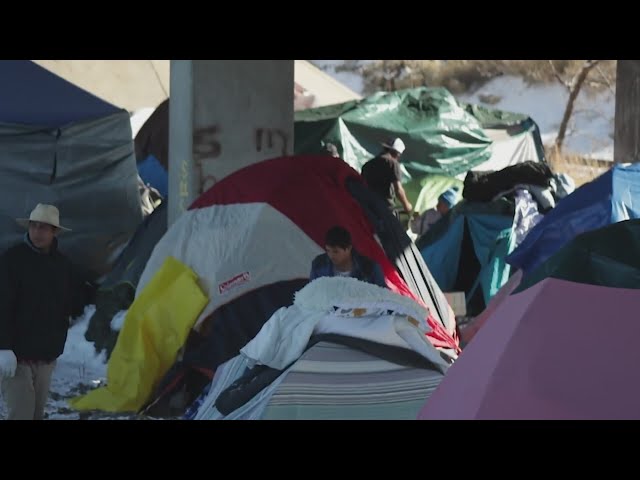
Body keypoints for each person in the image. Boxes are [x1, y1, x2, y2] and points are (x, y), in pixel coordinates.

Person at [0, 203, 94, 420]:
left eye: (44, 227)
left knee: (36, 414)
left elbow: (72, 300)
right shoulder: (12, 260)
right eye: (34, 226)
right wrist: (3, 347)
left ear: (54, 232)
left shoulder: (62, 265)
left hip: (45, 355)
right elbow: (2, 304)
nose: (37, 232)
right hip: (16, 356)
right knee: (21, 414)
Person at [310, 226, 386, 288]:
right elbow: (312, 294)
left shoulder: (370, 268)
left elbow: (383, 298)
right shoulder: (318, 265)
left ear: (349, 248)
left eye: (336, 251)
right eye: (328, 250)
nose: (331, 255)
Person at [361, 137, 413, 215]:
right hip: (386, 209)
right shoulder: (392, 164)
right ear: (397, 153)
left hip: (368, 208)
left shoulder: (367, 165)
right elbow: (398, 190)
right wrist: (407, 205)